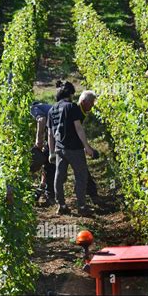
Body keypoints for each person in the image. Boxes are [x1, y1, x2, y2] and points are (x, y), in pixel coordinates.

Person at [47, 81, 97, 216]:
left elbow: (50, 133)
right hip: (74, 148)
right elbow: (79, 128)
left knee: (59, 176)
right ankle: (81, 207)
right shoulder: (72, 107)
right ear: (69, 94)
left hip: (59, 148)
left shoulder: (52, 110)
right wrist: (87, 147)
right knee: (81, 176)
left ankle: (61, 205)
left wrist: (51, 152)